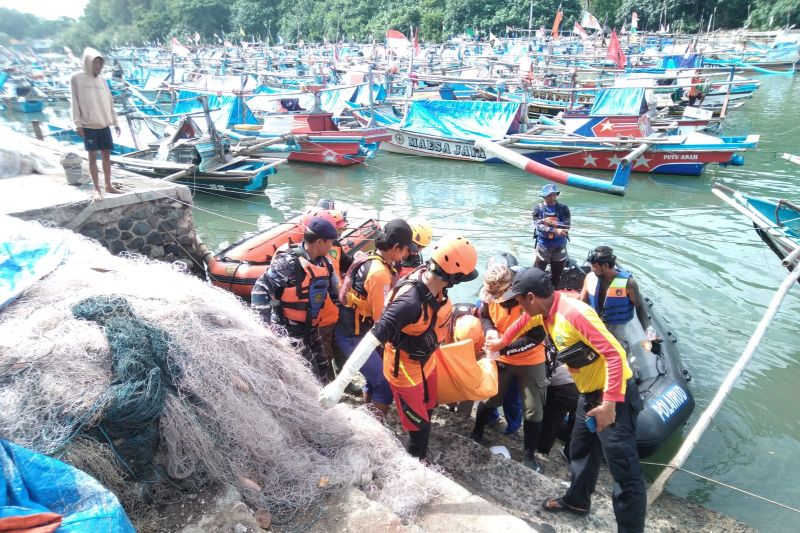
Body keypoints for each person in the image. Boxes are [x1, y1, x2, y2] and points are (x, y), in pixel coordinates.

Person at [488, 268, 645, 533]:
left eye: (519, 301)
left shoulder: (573, 314)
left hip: (612, 396)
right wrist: (500, 343)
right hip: (588, 395)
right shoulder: (545, 311)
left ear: (531, 297)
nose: (518, 306)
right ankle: (577, 501)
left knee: (625, 474)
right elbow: (522, 323)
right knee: (580, 450)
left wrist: (609, 405)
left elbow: (616, 354)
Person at [321, 235, 479, 462]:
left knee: (429, 407)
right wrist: (339, 384)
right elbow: (372, 338)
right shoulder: (409, 302)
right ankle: (415, 465)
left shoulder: (434, 284)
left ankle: (419, 450)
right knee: (420, 428)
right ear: (452, 276)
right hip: (405, 369)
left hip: (427, 360)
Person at [470, 263, 549, 473]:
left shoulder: (527, 300)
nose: (494, 299)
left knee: (533, 409)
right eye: (491, 295)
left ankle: (529, 455)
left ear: (510, 288)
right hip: (501, 355)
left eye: (498, 295)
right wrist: (489, 332)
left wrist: (502, 349)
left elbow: (536, 336)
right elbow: (485, 316)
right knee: (489, 398)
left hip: (531, 359)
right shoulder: (489, 296)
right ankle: (476, 433)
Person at [334, 219, 416, 418]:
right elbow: (382, 319)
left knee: (373, 380)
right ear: (396, 248)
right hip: (354, 336)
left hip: (353, 330)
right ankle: (373, 428)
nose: (407, 255)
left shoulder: (370, 259)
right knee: (385, 384)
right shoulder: (379, 273)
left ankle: (367, 414)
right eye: (405, 250)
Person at [251, 216, 341, 381]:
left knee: (323, 365)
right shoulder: (289, 262)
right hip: (288, 329)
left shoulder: (324, 264)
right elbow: (260, 288)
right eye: (330, 242)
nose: (332, 245)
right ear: (320, 242)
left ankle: (324, 401)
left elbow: (335, 295)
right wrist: (264, 325)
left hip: (311, 328)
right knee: (310, 374)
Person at [70, 48, 121, 200]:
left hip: (104, 124)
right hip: (89, 125)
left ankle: (108, 185)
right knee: (92, 157)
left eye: (100, 63)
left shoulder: (103, 81)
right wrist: (77, 124)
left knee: (107, 155)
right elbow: (74, 102)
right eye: (95, 63)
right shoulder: (77, 78)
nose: (98, 66)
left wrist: (115, 121)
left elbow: (110, 103)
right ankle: (97, 189)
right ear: (88, 63)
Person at [580, 246, 653, 351]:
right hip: (594, 325)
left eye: (595, 266)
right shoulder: (590, 278)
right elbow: (582, 303)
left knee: (620, 352)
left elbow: (640, 307)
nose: (592, 269)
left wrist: (650, 335)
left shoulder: (628, 284)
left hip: (616, 328)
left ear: (605, 266)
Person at [532, 184, 571, 288]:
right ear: (544, 196)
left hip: (559, 245)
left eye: (554, 195)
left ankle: (554, 291)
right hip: (544, 246)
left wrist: (551, 225)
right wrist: (554, 230)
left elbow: (567, 225)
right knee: (537, 273)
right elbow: (538, 225)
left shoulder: (564, 208)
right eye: (549, 195)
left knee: (557, 274)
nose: (552, 198)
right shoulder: (537, 209)